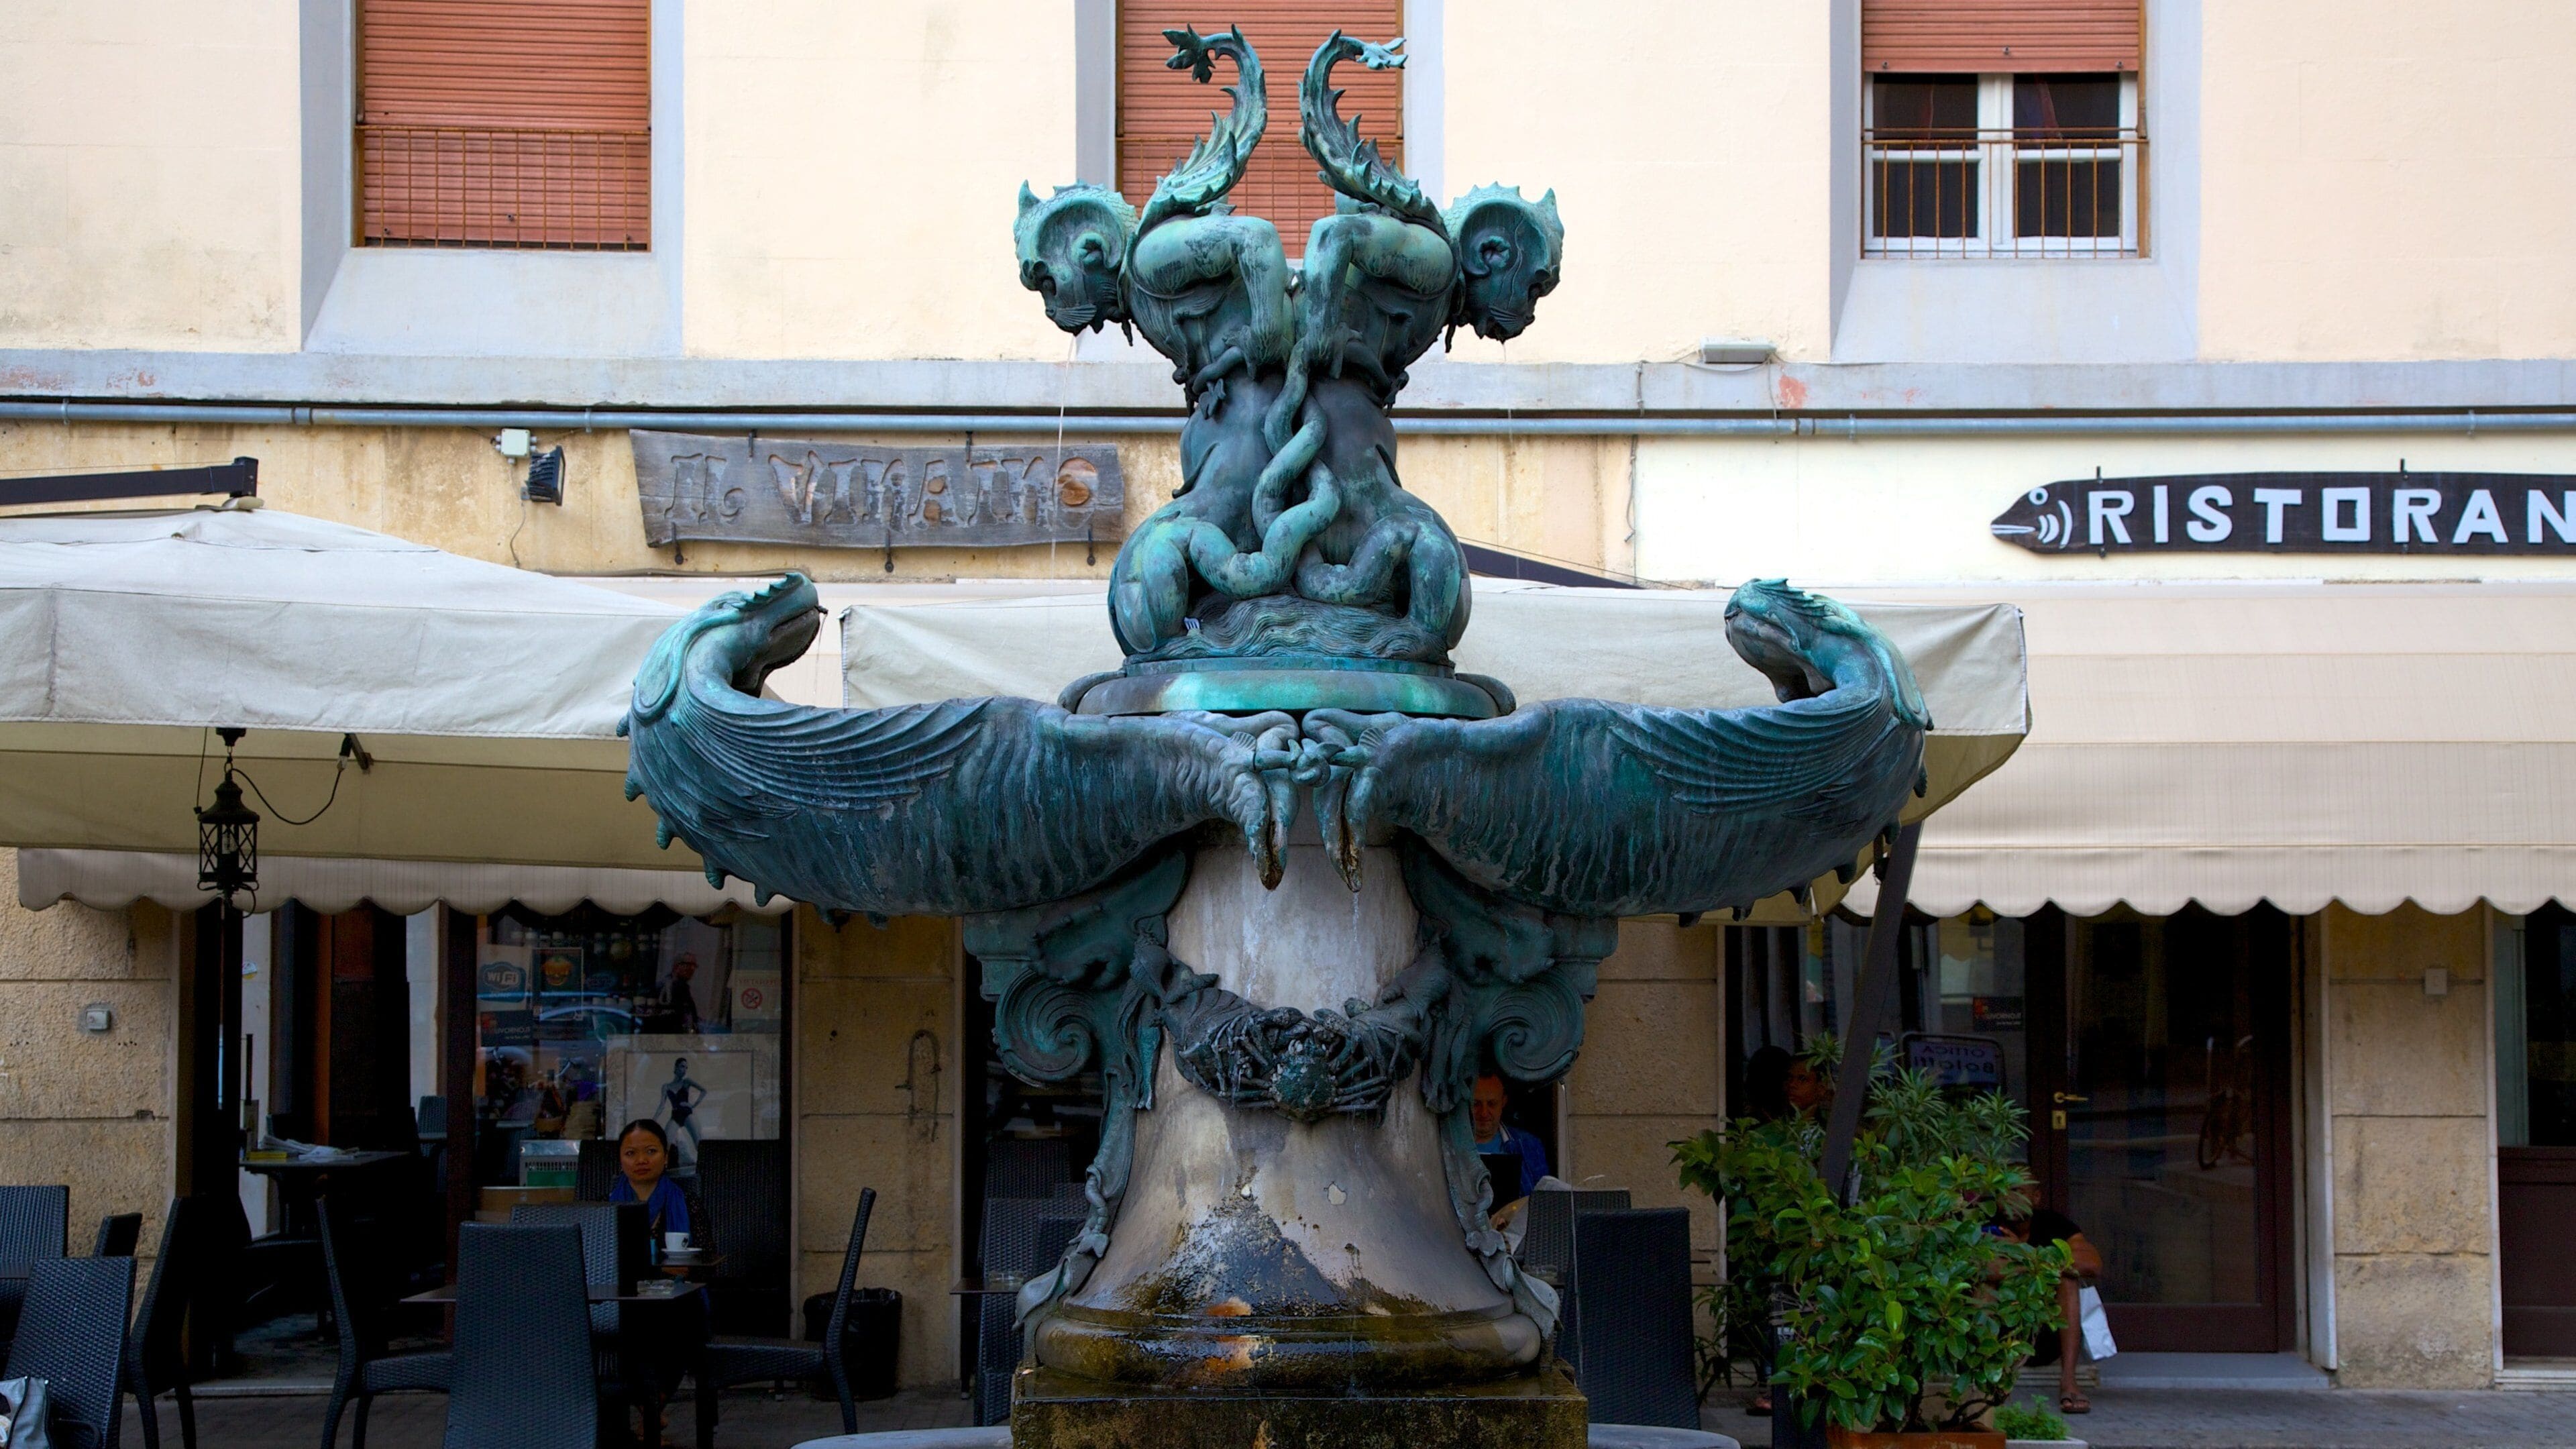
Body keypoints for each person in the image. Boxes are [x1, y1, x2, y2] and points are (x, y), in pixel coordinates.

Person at [1996, 1202, 2104, 1415]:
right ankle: (1985, 1377)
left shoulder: (2054, 1225)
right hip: (2001, 1337)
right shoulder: (1988, 1223)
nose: (2013, 1198)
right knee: (1984, 1284)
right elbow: (1982, 1269)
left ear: (2036, 1196)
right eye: (2008, 1190)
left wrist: (2023, 1254)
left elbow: (2091, 1264)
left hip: (2048, 1338)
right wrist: (2043, 1264)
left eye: (2020, 1190)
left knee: (2068, 1280)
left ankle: (2069, 1381)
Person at [610, 1117, 713, 1252]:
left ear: (666, 1157)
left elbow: (708, 1260)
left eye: (651, 1151)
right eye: (631, 1153)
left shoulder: (689, 1204)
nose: (641, 1160)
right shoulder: (603, 1206)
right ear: (620, 1160)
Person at [1469, 1071, 1550, 1205]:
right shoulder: (1448, 1146)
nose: (1484, 1112)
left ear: (1503, 1102)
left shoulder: (1530, 1145)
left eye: (1492, 1104)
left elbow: (1544, 1204)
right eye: (1476, 1104)